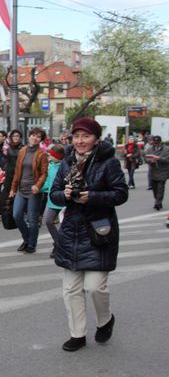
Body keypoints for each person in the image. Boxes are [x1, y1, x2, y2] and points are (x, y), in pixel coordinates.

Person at [50, 117, 128, 352]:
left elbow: (120, 194)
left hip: (98, 230)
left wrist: (91, 196)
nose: (80, 141)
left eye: (85, 136)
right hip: (72, 230)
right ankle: (78, 334)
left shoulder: (109, 162)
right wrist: (63, 195)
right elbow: (53, 194)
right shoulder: (66, 161)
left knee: (95, 287)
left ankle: (105, 320)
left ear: (96, 138)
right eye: (76, 136)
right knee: (71, 289)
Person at [9, 127, 49, 254]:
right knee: (16, 216)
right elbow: (17, 171)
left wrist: (37, 185)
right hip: (21, 189)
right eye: (33, 135)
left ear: (41, 140)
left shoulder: (42, 154)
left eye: (38, 137)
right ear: (29, 136)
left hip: (34, 192)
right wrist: (13, 188)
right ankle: (27, 238)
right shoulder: (22, 151)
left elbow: (44, 173)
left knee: (32, 219)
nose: (35, 138)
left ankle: (32, 244)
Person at [40, 144, 65, 259]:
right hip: (52, 199)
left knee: (64, 226)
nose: (49, 156)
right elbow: (47, 182)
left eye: (51, 155)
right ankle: (58, 243)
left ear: (58, 156)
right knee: (48, 221)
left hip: (64, 201)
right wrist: (39, 188)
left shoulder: (65, 167)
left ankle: (62, 247)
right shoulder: (51, 166)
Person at [145, 136, 169, 210]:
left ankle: (157, 203)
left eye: (157, 143)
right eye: (155, 143)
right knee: (154, 189)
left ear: (160, 142)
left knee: (160, 189)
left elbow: (167, 159)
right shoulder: (150, 149)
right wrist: (150, 161)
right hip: (153, 171)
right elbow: (146, 158)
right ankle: (158, 200)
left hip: (163, 171)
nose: (156, 145)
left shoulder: (166, 149)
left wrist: (159, 159)